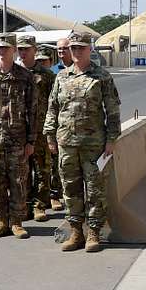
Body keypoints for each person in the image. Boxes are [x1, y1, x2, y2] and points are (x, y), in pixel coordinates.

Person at [44, 32, 120, 252]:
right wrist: (50, 136)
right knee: (70, 188)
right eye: (73, 48)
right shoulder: (62, 77)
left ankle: (94, 232)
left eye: (80, 48)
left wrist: (112, 139)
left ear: (90, 50)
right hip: (66, 142)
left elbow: (112, 110)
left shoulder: (101, 76)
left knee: (95, 189)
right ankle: (76, 231)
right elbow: (53, 108)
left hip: (93, 144)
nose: (76, 52)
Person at [0, 33, 35, 239]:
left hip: (17, 138)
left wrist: (31, 140)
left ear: (13, 50)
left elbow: (32, 110)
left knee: (18, 180)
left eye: (6, 47)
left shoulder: (25, 76)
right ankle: (0, 220)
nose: (2, 50)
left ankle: (17, 222)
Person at [17, 34, 53, 221]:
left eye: (26, 49)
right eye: (20, 49)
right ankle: (24, 205)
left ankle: (39, 205)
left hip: (40, 129)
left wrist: (51, 129)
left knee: (41, 169)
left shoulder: (46, 75)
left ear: (34, 50)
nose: (23, 53)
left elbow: (54, 102)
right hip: (19, 130)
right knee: (22, 170)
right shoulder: (14, 72)